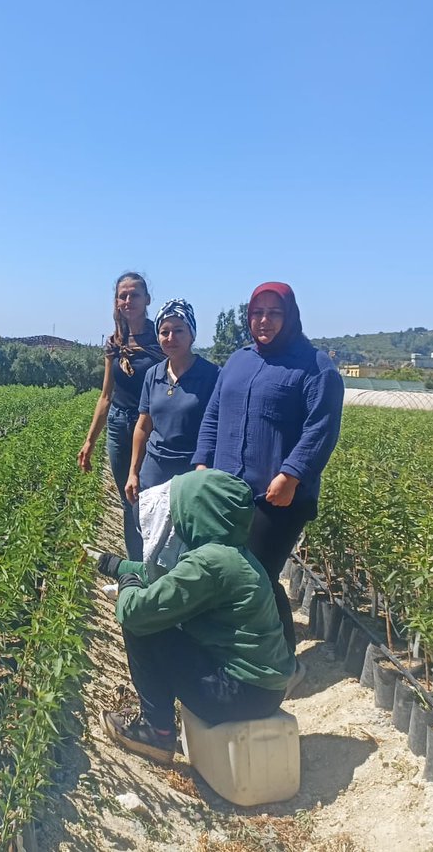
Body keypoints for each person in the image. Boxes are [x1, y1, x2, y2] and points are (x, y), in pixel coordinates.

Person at [192, 281, 344, 688]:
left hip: (280, 497)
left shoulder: (314, 367)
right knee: (236, 575)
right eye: (257, 312)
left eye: (274, 313)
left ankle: (285, 663)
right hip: (228, 491)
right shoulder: (239, 362)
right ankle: (246, 652)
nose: (264, 321)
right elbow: (213, 415)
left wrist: (291, 473)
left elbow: (321, 431)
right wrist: (203, 462)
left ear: (290, 316)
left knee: (257, 575)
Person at [95, 469, 295, 763]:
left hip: (236, 695)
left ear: (198, 512)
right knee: (159, 618)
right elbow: (170, 578)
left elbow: (134, 612)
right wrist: (119, 566)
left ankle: (157, 731)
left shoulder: (210, 563)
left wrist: (127, 585)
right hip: (264, 690)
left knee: (143, 626)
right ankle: (159, 727)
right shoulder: (232, 554)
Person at [78, 272, 164, 561]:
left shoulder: (161, 339)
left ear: (147, 300)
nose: (128, 300)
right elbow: (105, 396)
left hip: (152, 428)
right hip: (118, 425)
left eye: (134, 295)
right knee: (128, 501)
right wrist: (90, 441)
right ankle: (137, 571)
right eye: (122, 295)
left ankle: (157, 568)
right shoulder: (115, 342)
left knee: (151, 500)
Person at [125, 299, 219, 506]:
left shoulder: (212, 376)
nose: (170, 338)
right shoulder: (153, 374)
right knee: (151, 534)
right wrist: (133, 472)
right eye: (164, 332)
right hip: (154, 471)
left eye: (178, 330)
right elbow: (143, 426)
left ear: (191, 334)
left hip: (192, 472)